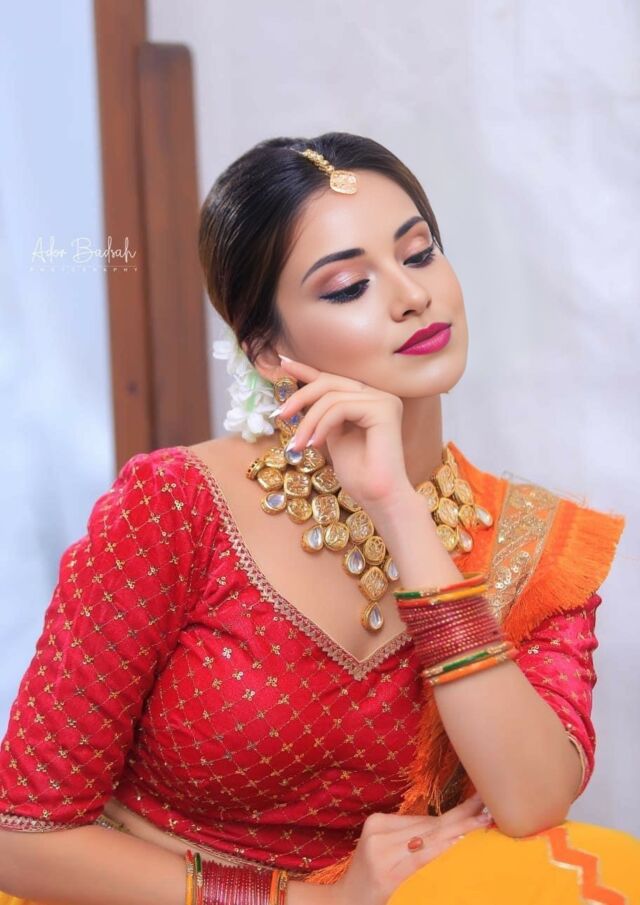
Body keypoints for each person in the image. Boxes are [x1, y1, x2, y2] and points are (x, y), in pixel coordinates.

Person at [0, 133, 637, 905]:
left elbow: (532, 800)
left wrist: (400, 509)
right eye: (347, 287)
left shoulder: (536, 543)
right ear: (269, 352)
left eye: (420, 253)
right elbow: (21, 836)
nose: (412, 295)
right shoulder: (174, 506)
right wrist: (307, 900)